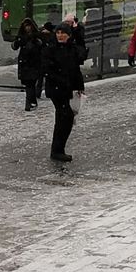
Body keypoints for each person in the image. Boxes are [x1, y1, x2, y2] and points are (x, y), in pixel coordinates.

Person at [45, 18, 85, 163]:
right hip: (58, 88)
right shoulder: (51, 48)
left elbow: (81, 55)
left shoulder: (71, 48)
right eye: (58, 32)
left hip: (69, 87)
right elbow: (48, 68)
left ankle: (58, 149)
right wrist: (61, 80)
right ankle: (57, 149)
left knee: (65, 117)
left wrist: (78, 32)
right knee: (65, 116)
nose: (60, 35)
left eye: (63, 33)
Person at [14, 17, 46, 111]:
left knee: (30, 83)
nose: (27, 28)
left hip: (34, 62)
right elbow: (15, 46)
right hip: (25, 62)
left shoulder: (36, 37)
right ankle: (32, 101)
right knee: (29, 83)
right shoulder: (22, 37)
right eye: (25, 26)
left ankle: (29, 103)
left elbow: (42, 46)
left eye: (29, 26)